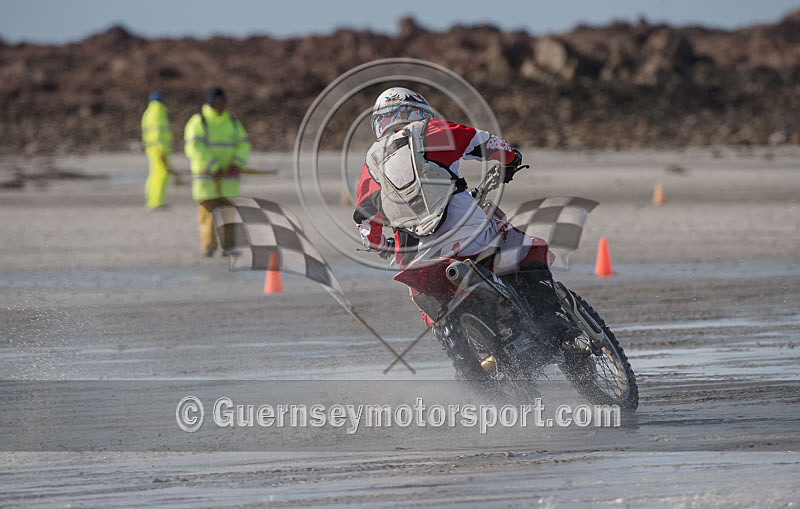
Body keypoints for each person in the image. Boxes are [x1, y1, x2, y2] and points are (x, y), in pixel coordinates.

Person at [353, 87, 579, 339]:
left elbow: (365, 224)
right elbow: (484, 142)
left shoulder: (371, 162)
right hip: (465, 230)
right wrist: (510, 158)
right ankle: (552, 320)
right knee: (524, 247)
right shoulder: (430, 130)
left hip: (414, 258)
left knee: (430, 308)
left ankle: (467, 347)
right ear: (417, 112)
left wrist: (383, 245)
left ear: (379, 122)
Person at [184, 86, 251, 256]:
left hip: (228, 180)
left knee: (228, 214)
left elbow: (244, 144)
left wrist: (237, 163)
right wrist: (213, 166)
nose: (220, 104)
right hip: (206, 179)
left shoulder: (233, 123)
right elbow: (194, 147)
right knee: (207, 214)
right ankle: (209, 247)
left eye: (222, 101)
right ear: (210, 102)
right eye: (217, 101)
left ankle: (228, 247)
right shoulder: (199, 122)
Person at [141, 91, 177, 210]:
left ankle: (153, 201)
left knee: (155, 174)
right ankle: (156, 202)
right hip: (159, 149)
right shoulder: (158, 112)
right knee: (161, 174)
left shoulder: (149, 112)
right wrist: (161, 150)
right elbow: (157, 133)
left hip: (153, 148)